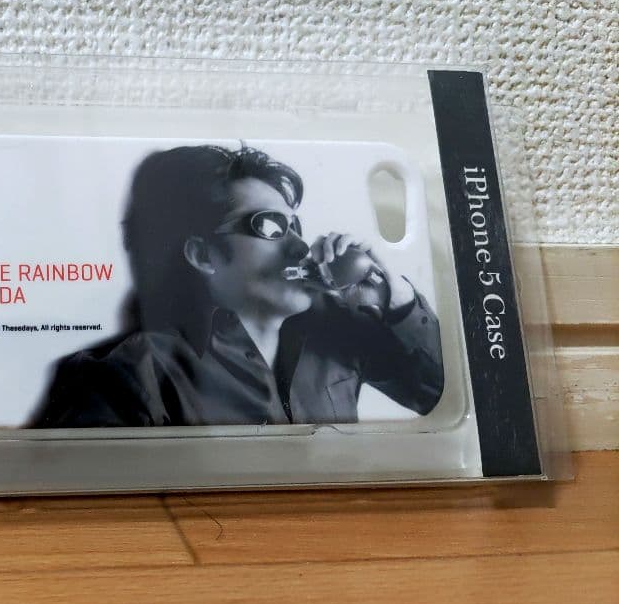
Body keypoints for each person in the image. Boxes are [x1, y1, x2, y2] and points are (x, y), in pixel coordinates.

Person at [30, 145, 443, 428]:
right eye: (271, 227)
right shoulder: (132, 376)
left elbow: (443, 396)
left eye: (296, 226)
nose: (301, 247)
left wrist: (394, 300)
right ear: (203, 255)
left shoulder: (339, 338)